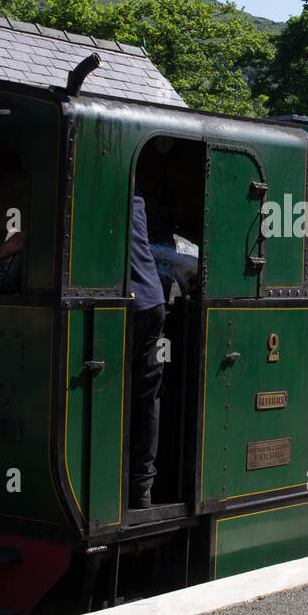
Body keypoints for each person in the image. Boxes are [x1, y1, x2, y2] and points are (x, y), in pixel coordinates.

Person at [128, 187, 166, 510]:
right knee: (146, 398)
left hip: (133, 305)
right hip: (153, 300)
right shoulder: (135, 193)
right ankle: (141, 490)